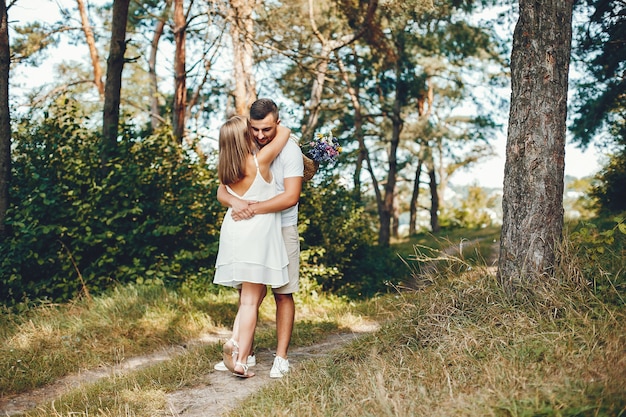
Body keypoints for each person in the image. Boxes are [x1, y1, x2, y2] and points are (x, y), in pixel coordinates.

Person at [216, 98, 303, 378]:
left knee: (277, 293)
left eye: (267, 129)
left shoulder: (233, 161)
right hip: (254, 232)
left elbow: (291, 197)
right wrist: (235, 202)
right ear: (247, 131)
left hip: (260, 228)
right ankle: (242, 354)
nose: (260, 135)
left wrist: (247, 206)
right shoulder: (254, 155)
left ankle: (271, 355)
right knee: (250, 296)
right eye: (253, 129)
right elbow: (221, 192)